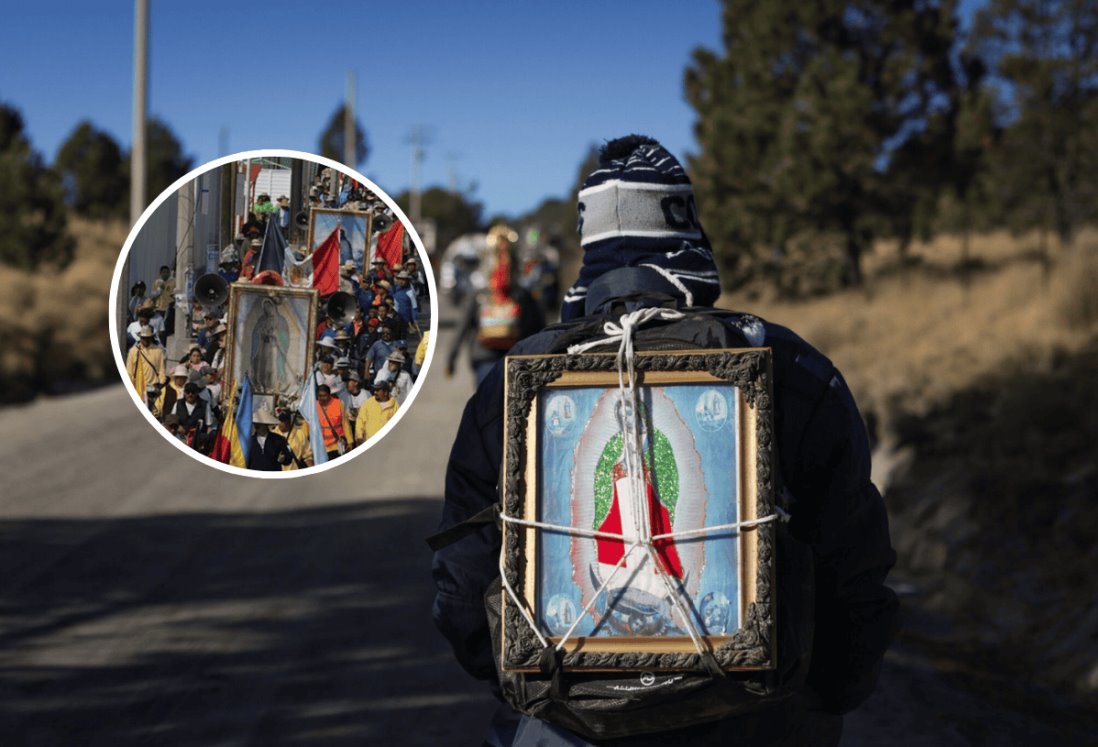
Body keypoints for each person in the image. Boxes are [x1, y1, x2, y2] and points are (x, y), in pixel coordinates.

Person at [432, 135, 898, 746]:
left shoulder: (518, 383)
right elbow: (854, 573)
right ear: (687, 229)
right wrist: (820, 699)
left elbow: (462, 591)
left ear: (587, 245)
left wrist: (535, 683)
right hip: (759, 723)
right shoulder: (794, 369)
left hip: (571, 725)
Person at [446, 224, 544, 386]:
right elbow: (463, 326)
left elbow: (538, 328)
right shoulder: (484, 295)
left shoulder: (521, 295)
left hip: (511, 359)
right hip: (497, 358)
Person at [125, 325, 166, 404]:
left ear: (151, 337)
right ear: (140, 338)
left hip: (154, 388)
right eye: (143, 338)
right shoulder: (133, 351)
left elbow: (161, 370)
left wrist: (160, 385)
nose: (145, 340)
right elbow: (129, 373)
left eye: (147, 338)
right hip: (138, 387)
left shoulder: (158, 350)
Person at [315, 383, 351, 459]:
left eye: (324, 396)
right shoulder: (314, 406)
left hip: (337, 444)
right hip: (322, 446)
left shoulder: (338, 403)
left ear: (329, 395)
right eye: (319, 396)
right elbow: (308, 426)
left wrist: (350, 441)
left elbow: (345, 423)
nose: (321, 398)